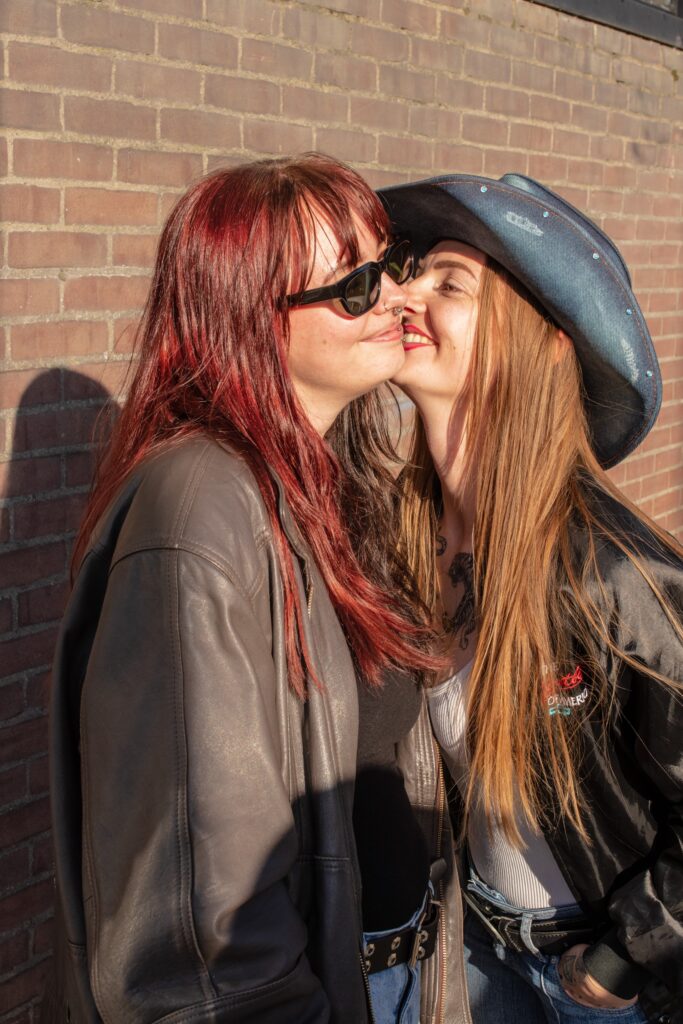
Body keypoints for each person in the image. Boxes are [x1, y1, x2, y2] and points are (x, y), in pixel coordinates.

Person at [46, 155, 468, 1024]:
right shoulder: (200, 509)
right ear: (250, 322)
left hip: (392, 975)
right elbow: (195, 935)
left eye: (388, 264)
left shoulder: (334, 480)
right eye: (353, 289)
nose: (396, 297)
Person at [378, 172, 683, 1024]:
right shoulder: (401, 544)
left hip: (600, 982)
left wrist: (624, 958)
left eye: (449, 284)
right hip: (481, 953)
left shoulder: (616, 577)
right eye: (413, 273)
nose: (404, 295)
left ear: (545, 344)